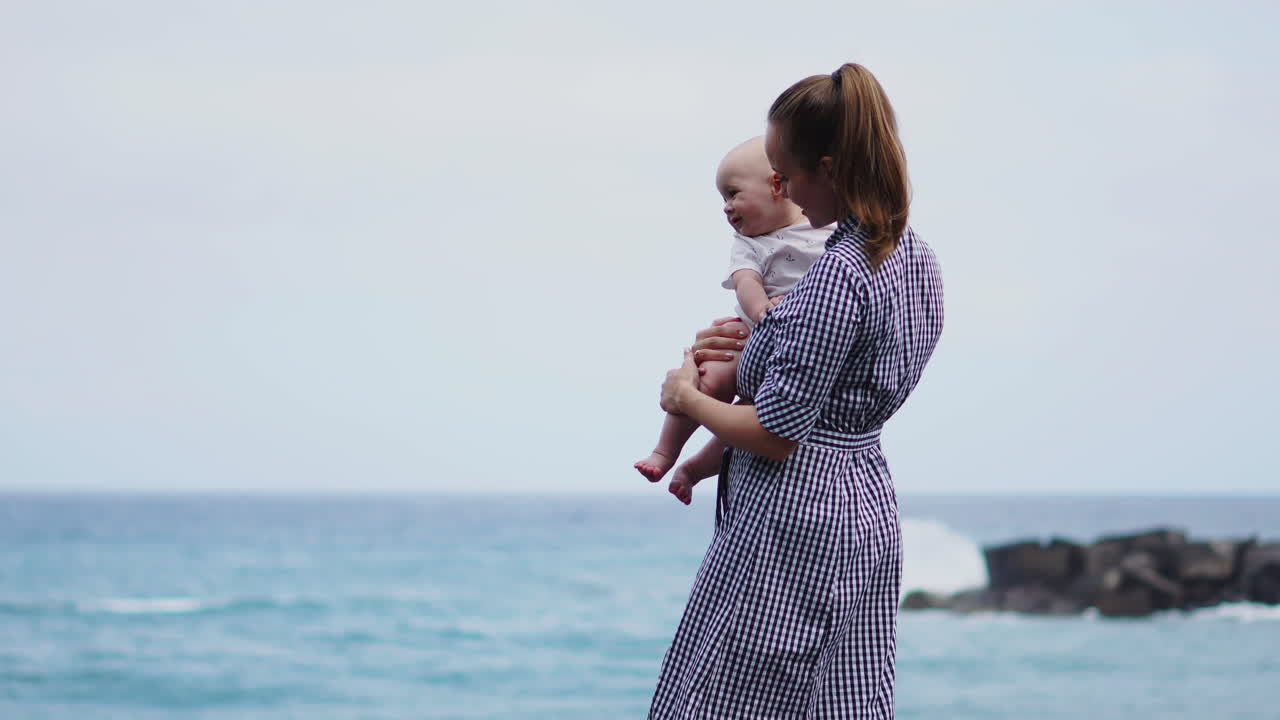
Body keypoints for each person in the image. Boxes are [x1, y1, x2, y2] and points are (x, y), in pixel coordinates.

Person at [648, 63, 944, 718]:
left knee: (730, 700)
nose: (783, 192)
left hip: (794, 521)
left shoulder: (839, 273)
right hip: (865, 503)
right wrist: (750, 347)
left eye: (786, 175)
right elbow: (838, 372)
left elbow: (777, 434)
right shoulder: (915, 256)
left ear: (828, 169)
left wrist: (687, 399)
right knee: (842, 698)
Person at [634, 136, 833, 504]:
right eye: (722, 198)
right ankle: (664, 452)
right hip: (750, 333)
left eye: (733, 193)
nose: (726, 207)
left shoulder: (826, 229)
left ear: (776, 185)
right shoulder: (749, 243)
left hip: (797, 345)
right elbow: (746, 282)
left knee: (748, 418)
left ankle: (695, 469)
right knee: (711, 379)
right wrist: (762, 311)